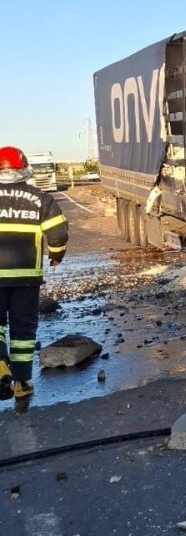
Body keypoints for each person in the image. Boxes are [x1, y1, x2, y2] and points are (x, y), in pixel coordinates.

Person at [0, 146, 68, 407]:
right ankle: (21, 383)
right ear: (24, 168)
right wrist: (56, 255)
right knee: (23, 331)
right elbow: (59, 231)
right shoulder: (40, 198)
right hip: (26, 277)